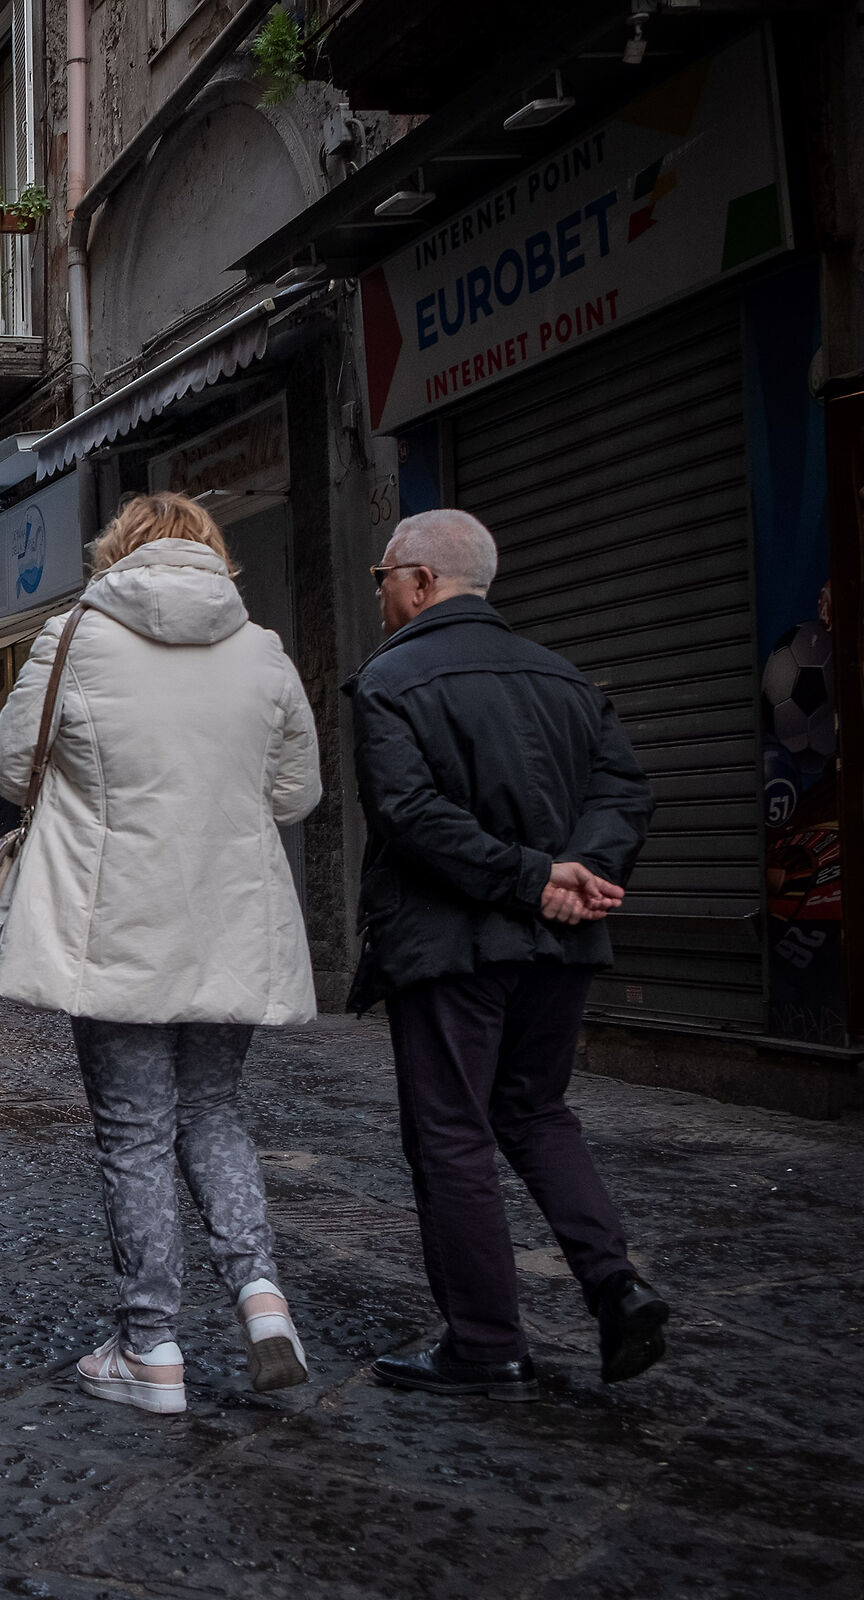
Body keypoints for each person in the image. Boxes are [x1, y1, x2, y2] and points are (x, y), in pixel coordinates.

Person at [0, 493, 321, 1415]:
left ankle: (151, 1350)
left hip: (115, 927)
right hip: (227, 923)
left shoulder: (72, 637)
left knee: (134, 1137)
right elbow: (297, 796)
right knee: (212, 1113)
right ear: (217, 559)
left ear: (116, 553)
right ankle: (263, 1304)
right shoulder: (265, 652)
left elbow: (9, 769)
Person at [348, 509, 666, 1400]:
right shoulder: (564, 677)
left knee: (451, 1135)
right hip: (558, 943)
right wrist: (580, 875)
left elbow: (408, 817)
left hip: (454, 948)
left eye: (382, 578)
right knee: (536, 1112)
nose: (379, 595)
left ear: (418, 580)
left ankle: (486, 1342)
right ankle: (616, 1286)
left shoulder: (389, 680)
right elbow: (625, 791)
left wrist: (536, 877)